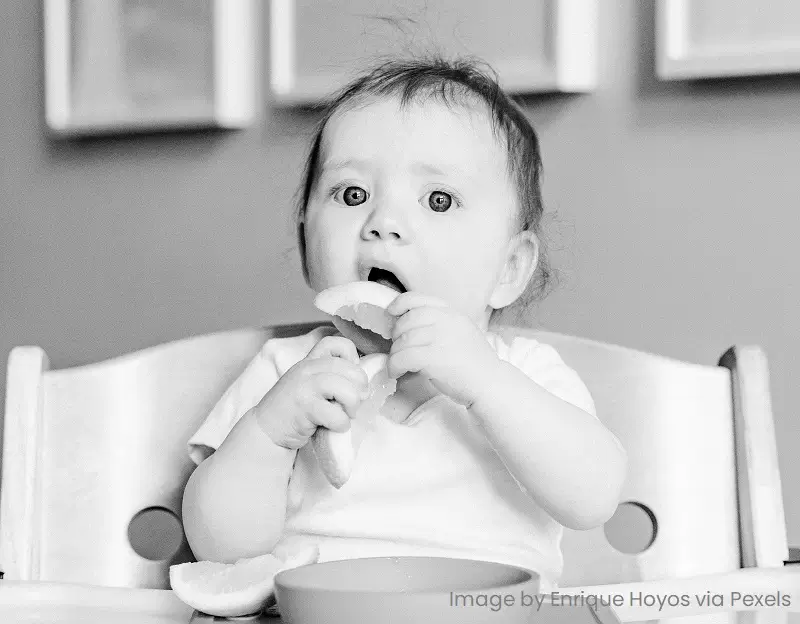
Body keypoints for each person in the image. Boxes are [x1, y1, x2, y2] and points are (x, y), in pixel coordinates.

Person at [181, 56, 626, 590]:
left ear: (508, 270)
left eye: (438, 200)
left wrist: (485, 382)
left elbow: (592, 497)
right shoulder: (287, 373)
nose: (384, 224)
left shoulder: (524, 372)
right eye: (352, 194)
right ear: (305, 246)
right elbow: (219, 545)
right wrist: (271, 434)